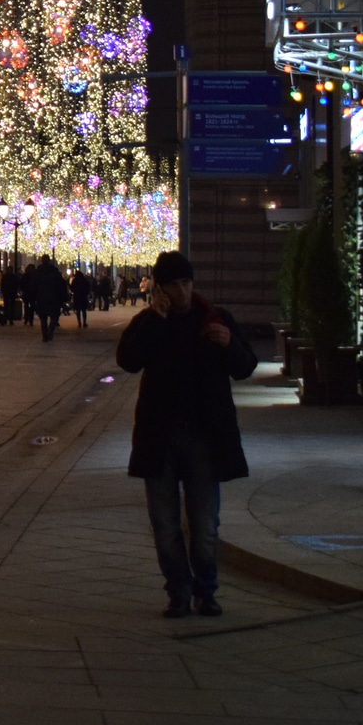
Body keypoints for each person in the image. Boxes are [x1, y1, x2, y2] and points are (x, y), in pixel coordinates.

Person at [116, 250, 257, 619]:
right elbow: (128, 360)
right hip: (159, 436)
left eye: (187, 282)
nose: (183, 290)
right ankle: (177, 590)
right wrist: (153, 322)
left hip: (203, 438)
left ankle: (206, 590)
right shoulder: (150, 321)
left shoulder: (215, 319)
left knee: (205, 522)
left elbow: (245, 366)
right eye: (175, 284)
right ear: (160, 287)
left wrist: (229, 344)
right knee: (164, 523)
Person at [28, 254, 68, 340]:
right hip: (53, 297)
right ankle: (50, 331)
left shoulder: (37, 273)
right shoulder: (54, 272)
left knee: (43, 318)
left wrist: (33, 297)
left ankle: (44, 335)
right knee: (54, 317)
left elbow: (33, 286)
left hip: (41, 297)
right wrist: (63, 297)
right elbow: (61, 285)